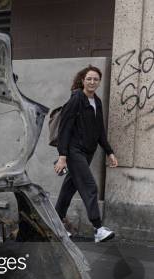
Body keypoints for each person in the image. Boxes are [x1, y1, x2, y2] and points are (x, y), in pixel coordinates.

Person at [54, 65, 118, 243]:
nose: (92, 82)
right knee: (90, 187)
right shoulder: (76, 100)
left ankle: (56, 226)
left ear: (99, 82)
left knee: (68, 189)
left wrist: (109, 152)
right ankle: (98, 229)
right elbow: (64, 128)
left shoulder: (96, 101)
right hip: (74, 152)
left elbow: (100, 131)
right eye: (89, 78)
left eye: (95, 79)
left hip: (87, 152)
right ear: (83, 80)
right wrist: (63, 155)